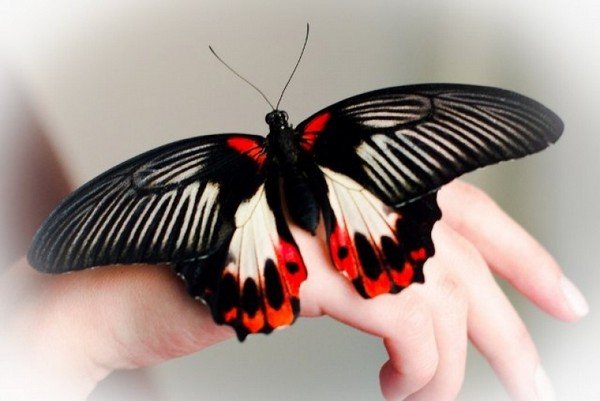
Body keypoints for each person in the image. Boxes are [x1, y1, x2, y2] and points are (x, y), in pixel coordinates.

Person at [0, 69, 588, 401]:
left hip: (276, 226)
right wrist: (50, 339)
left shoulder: (231, 157)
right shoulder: (324, 134)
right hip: (328, 214)